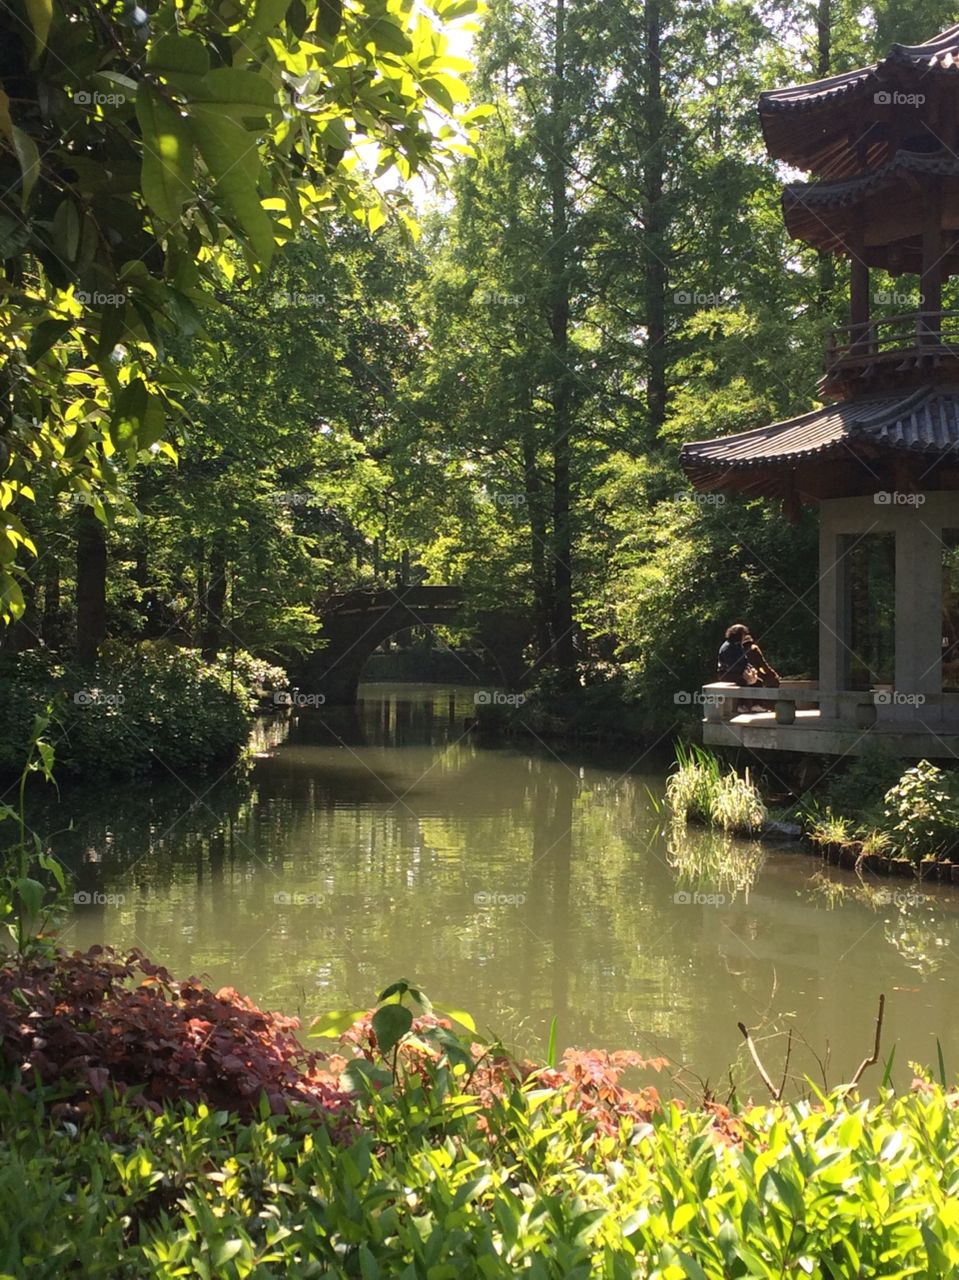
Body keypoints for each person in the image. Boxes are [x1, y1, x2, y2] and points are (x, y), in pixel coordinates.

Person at [717, 623, 779, 712]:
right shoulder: (727, 647)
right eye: (743, 634)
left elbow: (745, 661)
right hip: (726, 674)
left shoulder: (738, 645)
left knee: (758, 682)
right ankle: (741, 705)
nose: (744, 636)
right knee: (743, 681)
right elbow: (732, 665)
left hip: (738, 672)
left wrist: (751, 670)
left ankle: (756, 705)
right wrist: (744, 673)